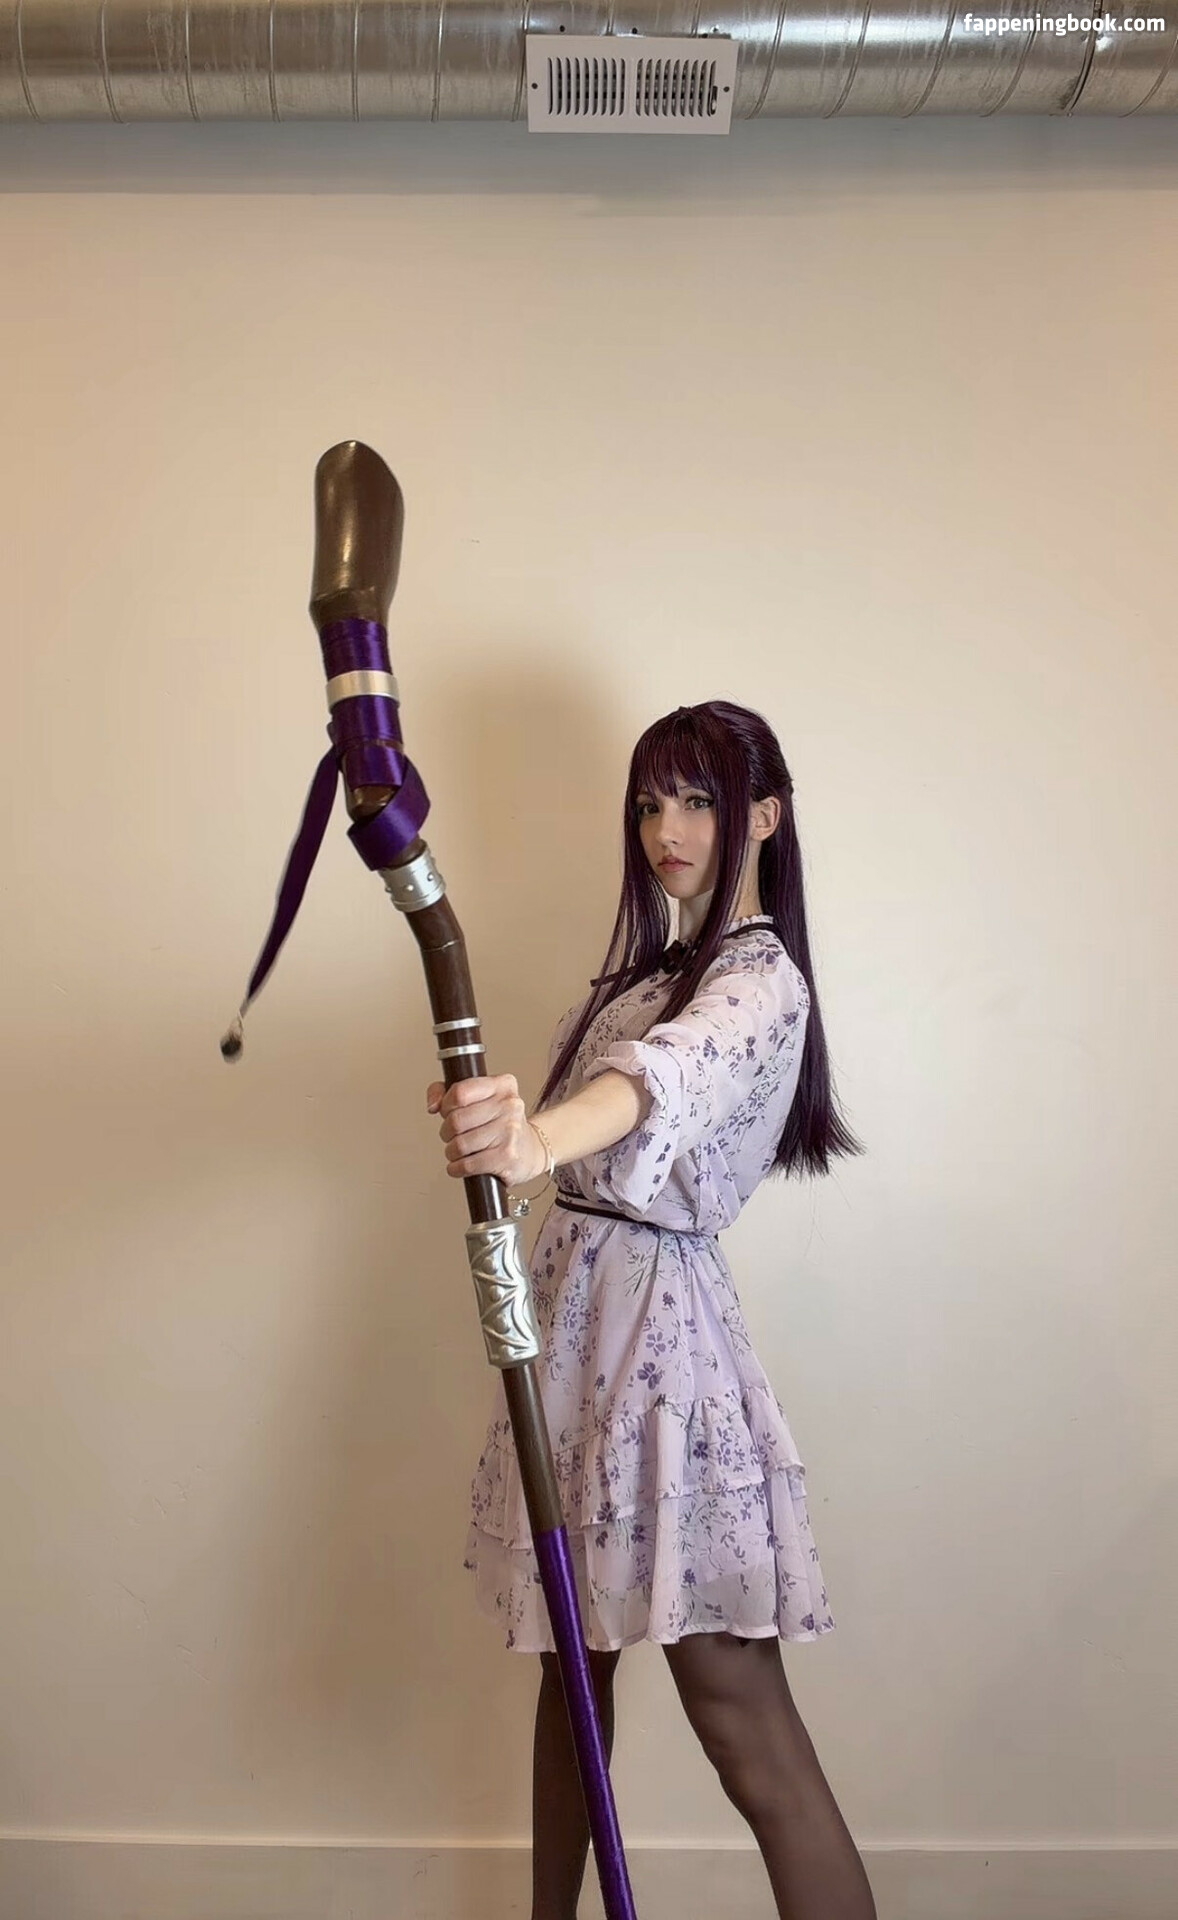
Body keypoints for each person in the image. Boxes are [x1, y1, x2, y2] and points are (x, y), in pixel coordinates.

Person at [426, 699, 877, 1920]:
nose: (664, 829)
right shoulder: (636, 978)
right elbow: (581, 1123)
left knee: (740, 1721)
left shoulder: (758, 984)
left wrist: (535, 1139)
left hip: (661, 1356)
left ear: (762, 819)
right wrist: (504, 1138)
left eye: (695, 802)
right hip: (573, 1335)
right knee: (569, 1691)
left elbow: (655, 1085)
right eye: (647, 803)